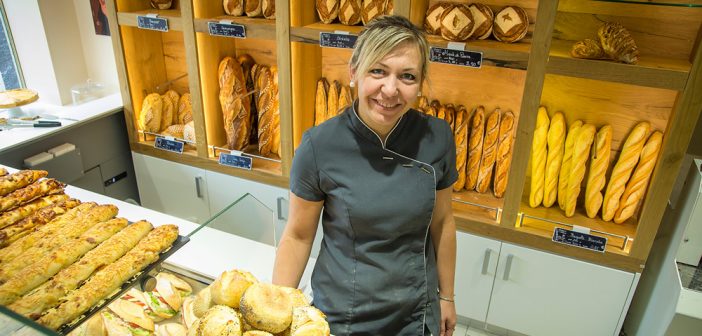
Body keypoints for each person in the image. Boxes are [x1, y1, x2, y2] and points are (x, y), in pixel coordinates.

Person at [273, 15, 458, 336]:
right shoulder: (320, 145)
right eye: (378, 71)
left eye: (407, 76)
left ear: (420, 81)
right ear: (354, 72)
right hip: (342, 312)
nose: (390, 89)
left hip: (414, 311)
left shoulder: (437, 137)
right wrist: (275, 311)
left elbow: (443, 223)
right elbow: (298, 236)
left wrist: (448, 296)